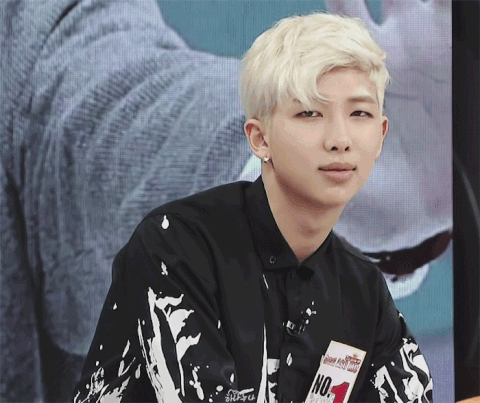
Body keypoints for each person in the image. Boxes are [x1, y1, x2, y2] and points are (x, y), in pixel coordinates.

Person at [73, 12, 433, 402]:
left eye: (359, 113)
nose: (339, 138)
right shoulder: (173, 249)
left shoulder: (362, 287)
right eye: (309, 113)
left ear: (381, 135)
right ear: (260, 139)